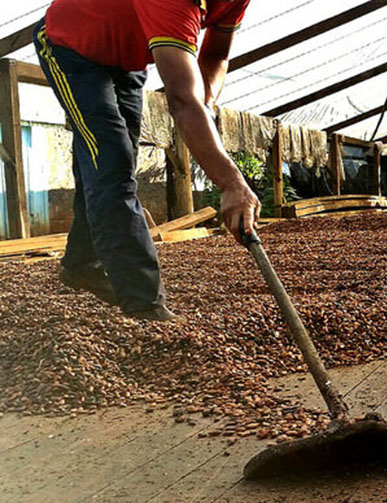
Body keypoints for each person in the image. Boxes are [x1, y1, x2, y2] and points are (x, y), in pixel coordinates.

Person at [33, 0, 261, 321]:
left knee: (110, 161)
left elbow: (217, 56)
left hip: (128, 62)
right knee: (111, 163)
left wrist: (205, 103)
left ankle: (80, 264)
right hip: (69, 48)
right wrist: (231, 182)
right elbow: (181, 101)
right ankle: (145, 306)